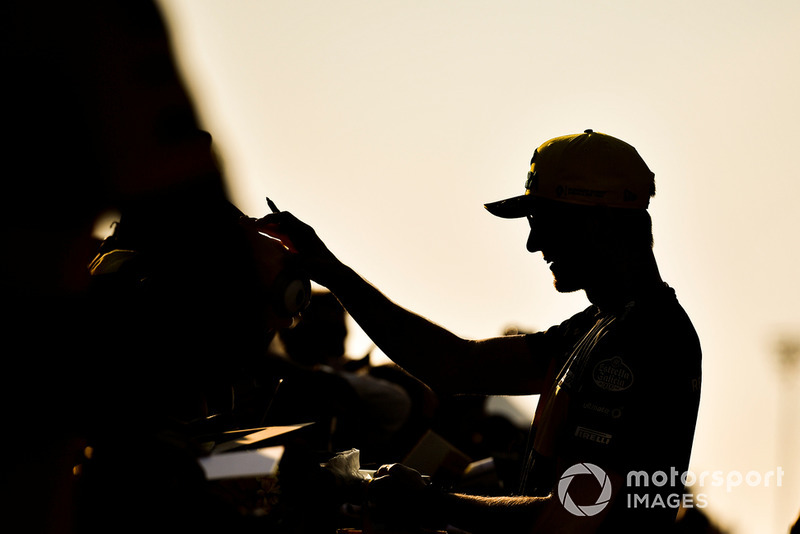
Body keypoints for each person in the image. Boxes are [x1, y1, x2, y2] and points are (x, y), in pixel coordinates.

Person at [255, 130, 702, 533]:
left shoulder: (647, 338)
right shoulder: (601, 325)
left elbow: (579, 513)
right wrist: (333, 272)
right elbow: (456, 366)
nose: (533, 243)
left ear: (597, 222)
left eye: (542, 221)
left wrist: (434, 501)